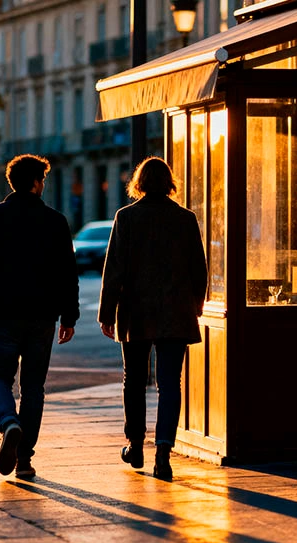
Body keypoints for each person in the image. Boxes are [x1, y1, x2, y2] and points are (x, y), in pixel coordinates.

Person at [0, 154, 79, 479]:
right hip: (42, 316)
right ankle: (24, 459)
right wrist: (69, 317)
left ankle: (8, 422)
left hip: (3, 314)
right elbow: (67, 275)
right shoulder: (55, 221)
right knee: (33, 387)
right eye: (43, 179)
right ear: (37, 183)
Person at [98, 156, 207, 480]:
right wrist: (195, 305)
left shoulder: (126, 217)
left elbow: (114, 270)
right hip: (176, 312)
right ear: (169, 183)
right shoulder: (185, 218)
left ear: (139, 183)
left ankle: (135, 445)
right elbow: (199, 269)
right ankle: (163, 451)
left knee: (134, 380)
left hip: (136, 313)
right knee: (170, 383)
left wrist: (107, 313)